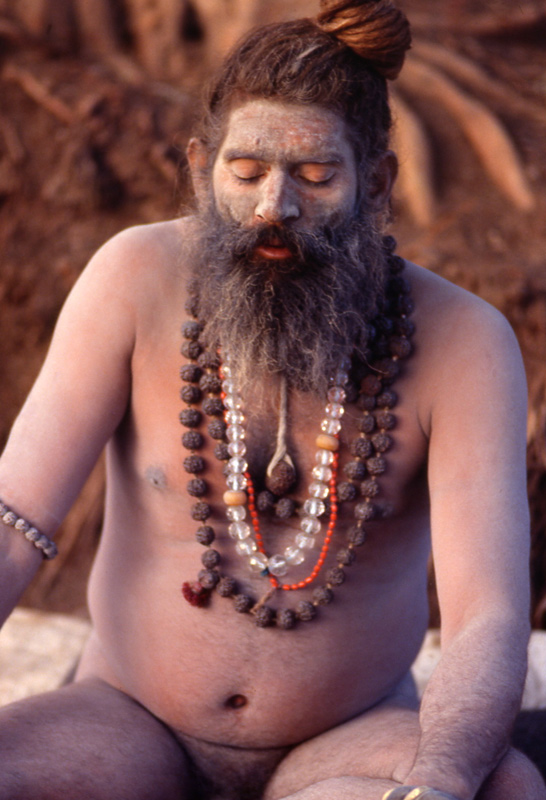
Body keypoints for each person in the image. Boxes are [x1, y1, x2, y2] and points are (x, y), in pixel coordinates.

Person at [0, 1, 543, 798]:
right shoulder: (133, 278)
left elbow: (486, 614)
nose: (273, 208)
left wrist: (442, 779)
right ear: (199, 167)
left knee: (505, 790)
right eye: (246, 173)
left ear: (379, 180)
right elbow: (16, 520)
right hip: (127, 721)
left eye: (316, 176)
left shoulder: (465, 341)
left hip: (343, 738)